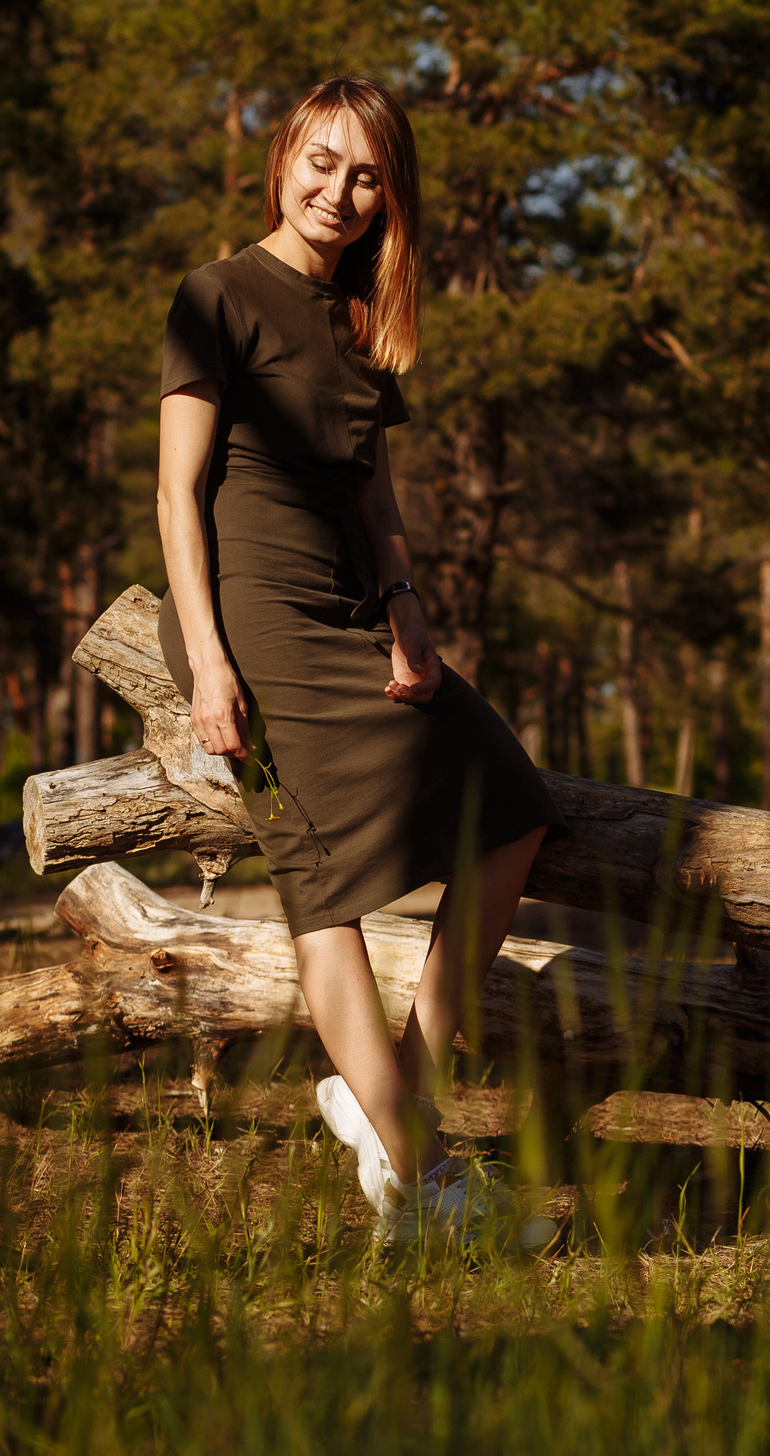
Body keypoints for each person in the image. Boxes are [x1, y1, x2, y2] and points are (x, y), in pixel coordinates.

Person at [154, 75, 555, 1245]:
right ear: (282, 161)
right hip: (255, 621)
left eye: (366, 174)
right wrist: (211, 666)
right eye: (321, 163)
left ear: (389, 197)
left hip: (345, 611)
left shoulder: (359, 323)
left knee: (512, 801)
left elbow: (374, 495)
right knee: (321, 889)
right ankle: (428, 1187)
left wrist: (407, 607)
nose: (338, 191)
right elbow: (179, 496)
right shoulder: (217, 294)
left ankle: (391, 1100)